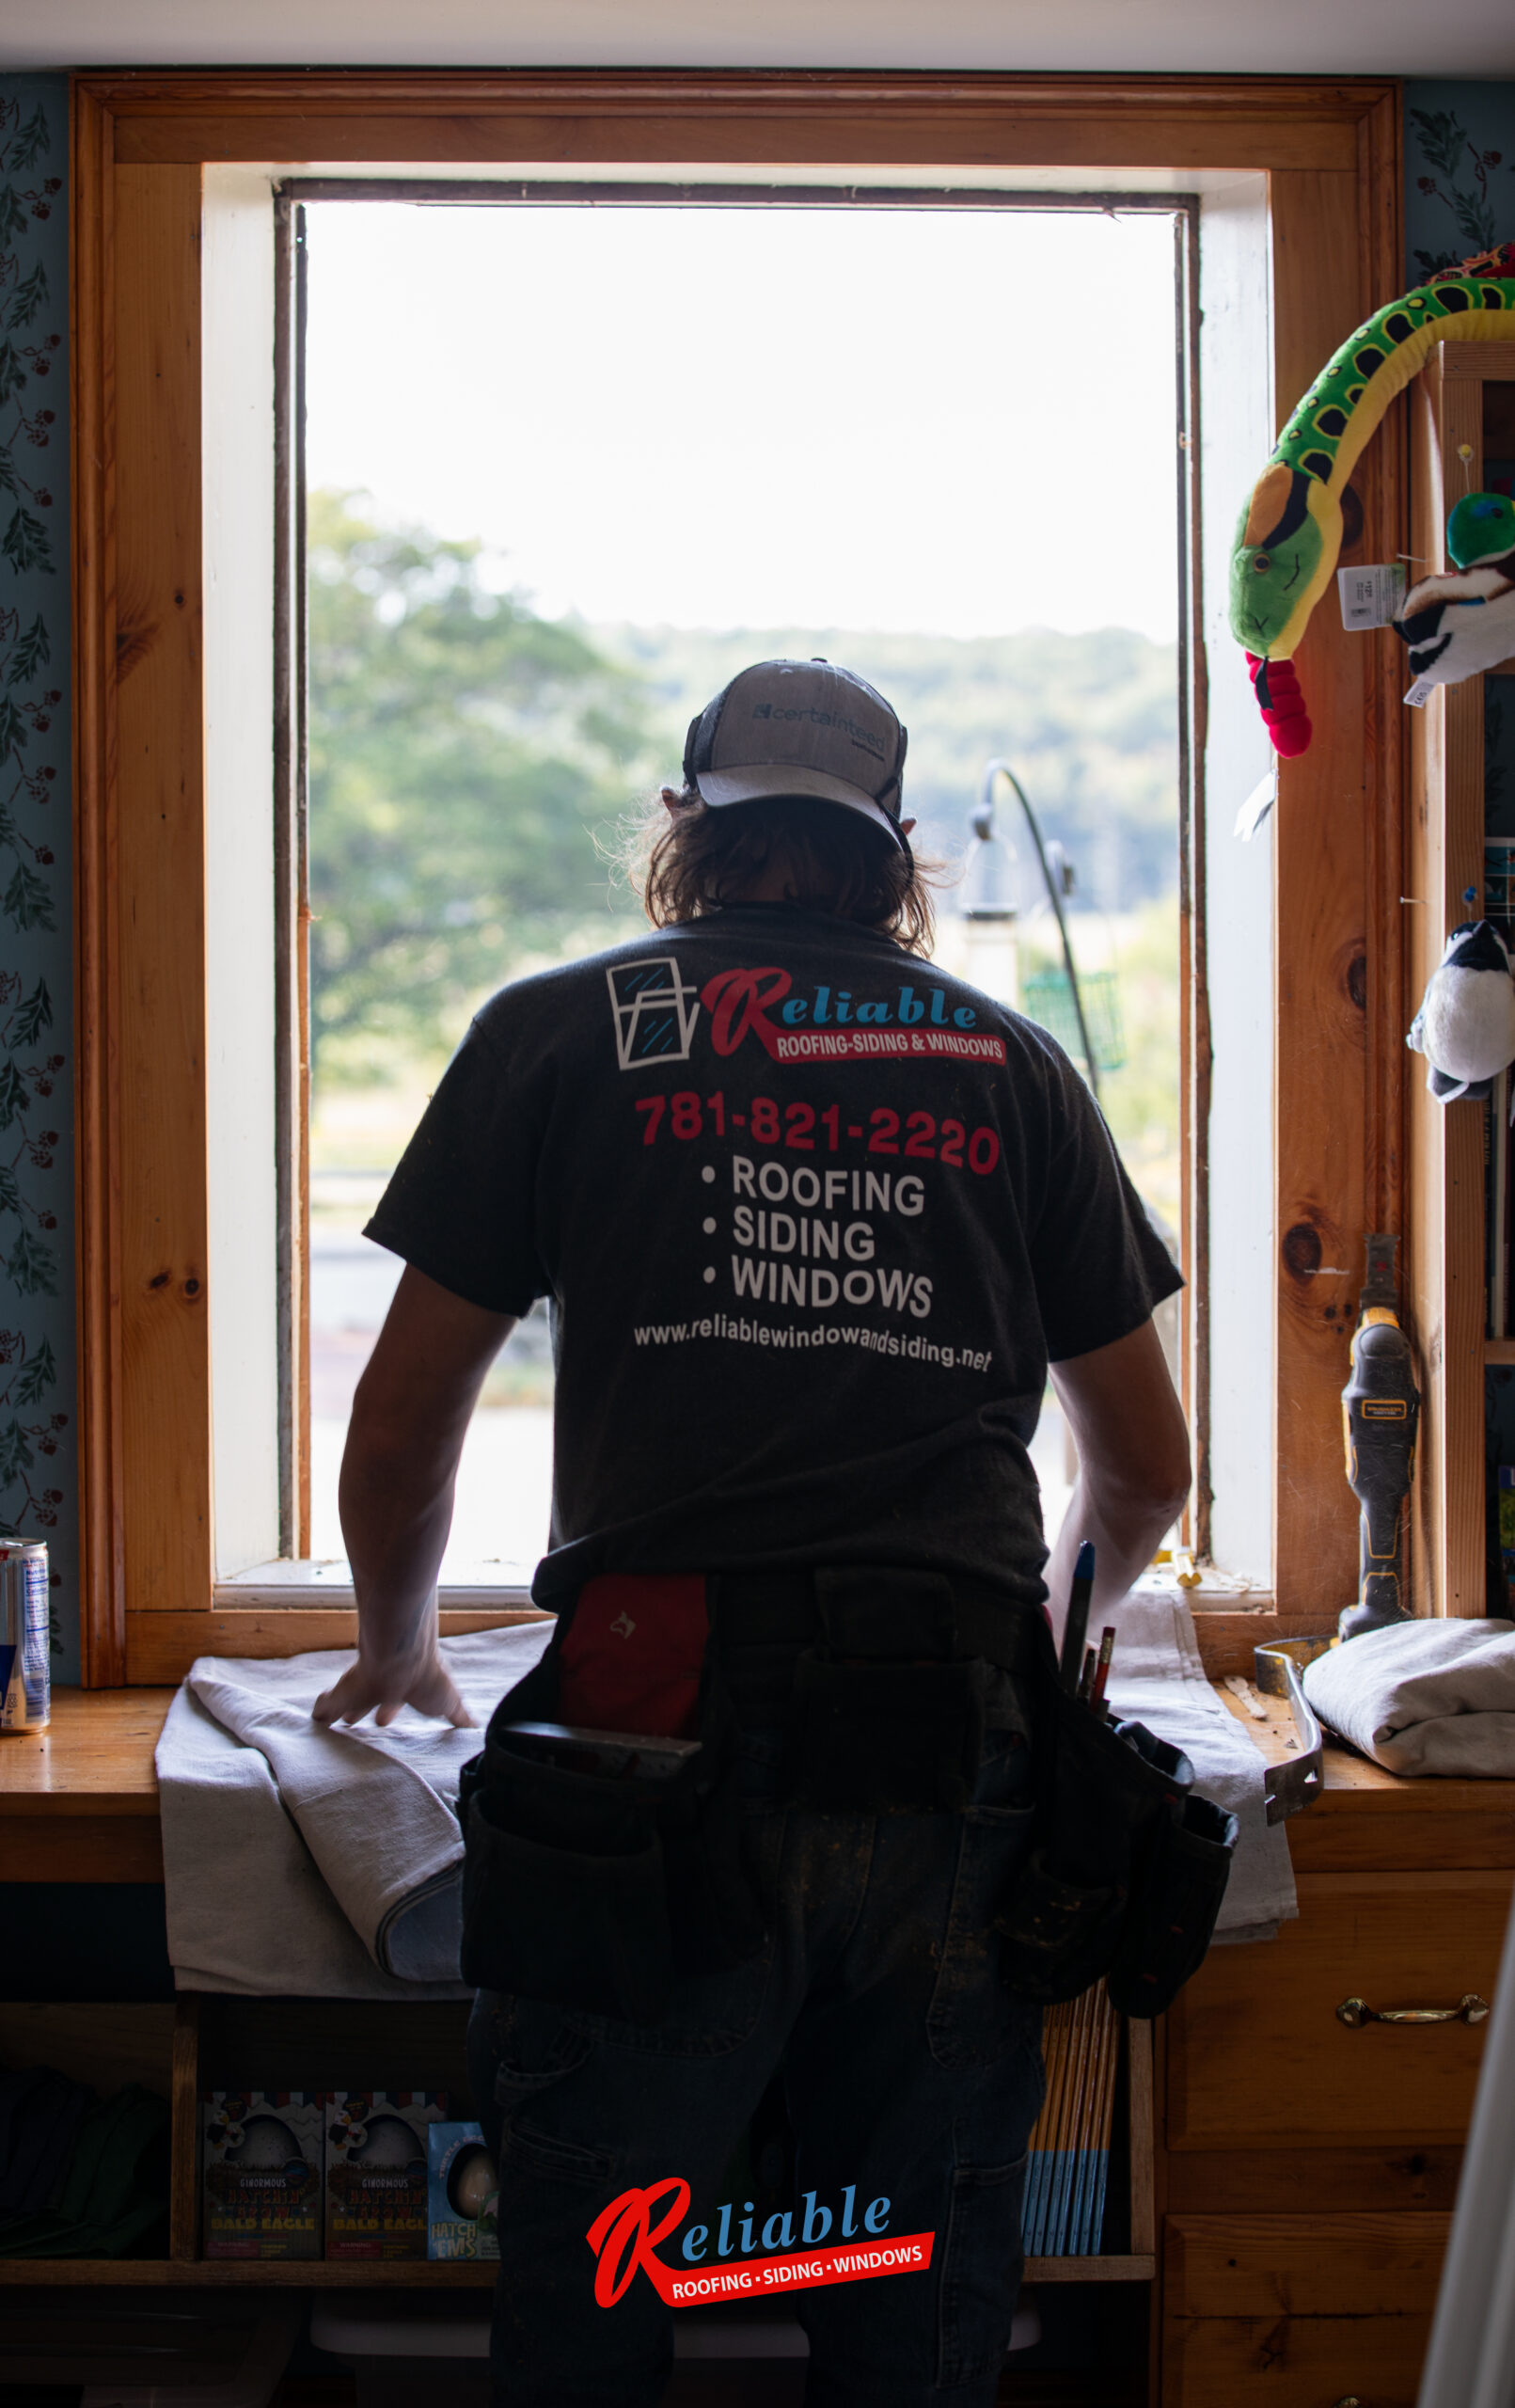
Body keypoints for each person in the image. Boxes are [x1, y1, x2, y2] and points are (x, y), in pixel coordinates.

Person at [314, 658, 1190, 2407]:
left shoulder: (560, 1031)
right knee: (909, 2283)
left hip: (651, 1739)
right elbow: (1145, 1468)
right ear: (898, 852)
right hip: (951, 1742)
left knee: (606, 2276)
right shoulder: (1013, 1067)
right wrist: (1045, 1641)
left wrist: (397, 1643)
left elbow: (405, 1427)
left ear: (685, 827)